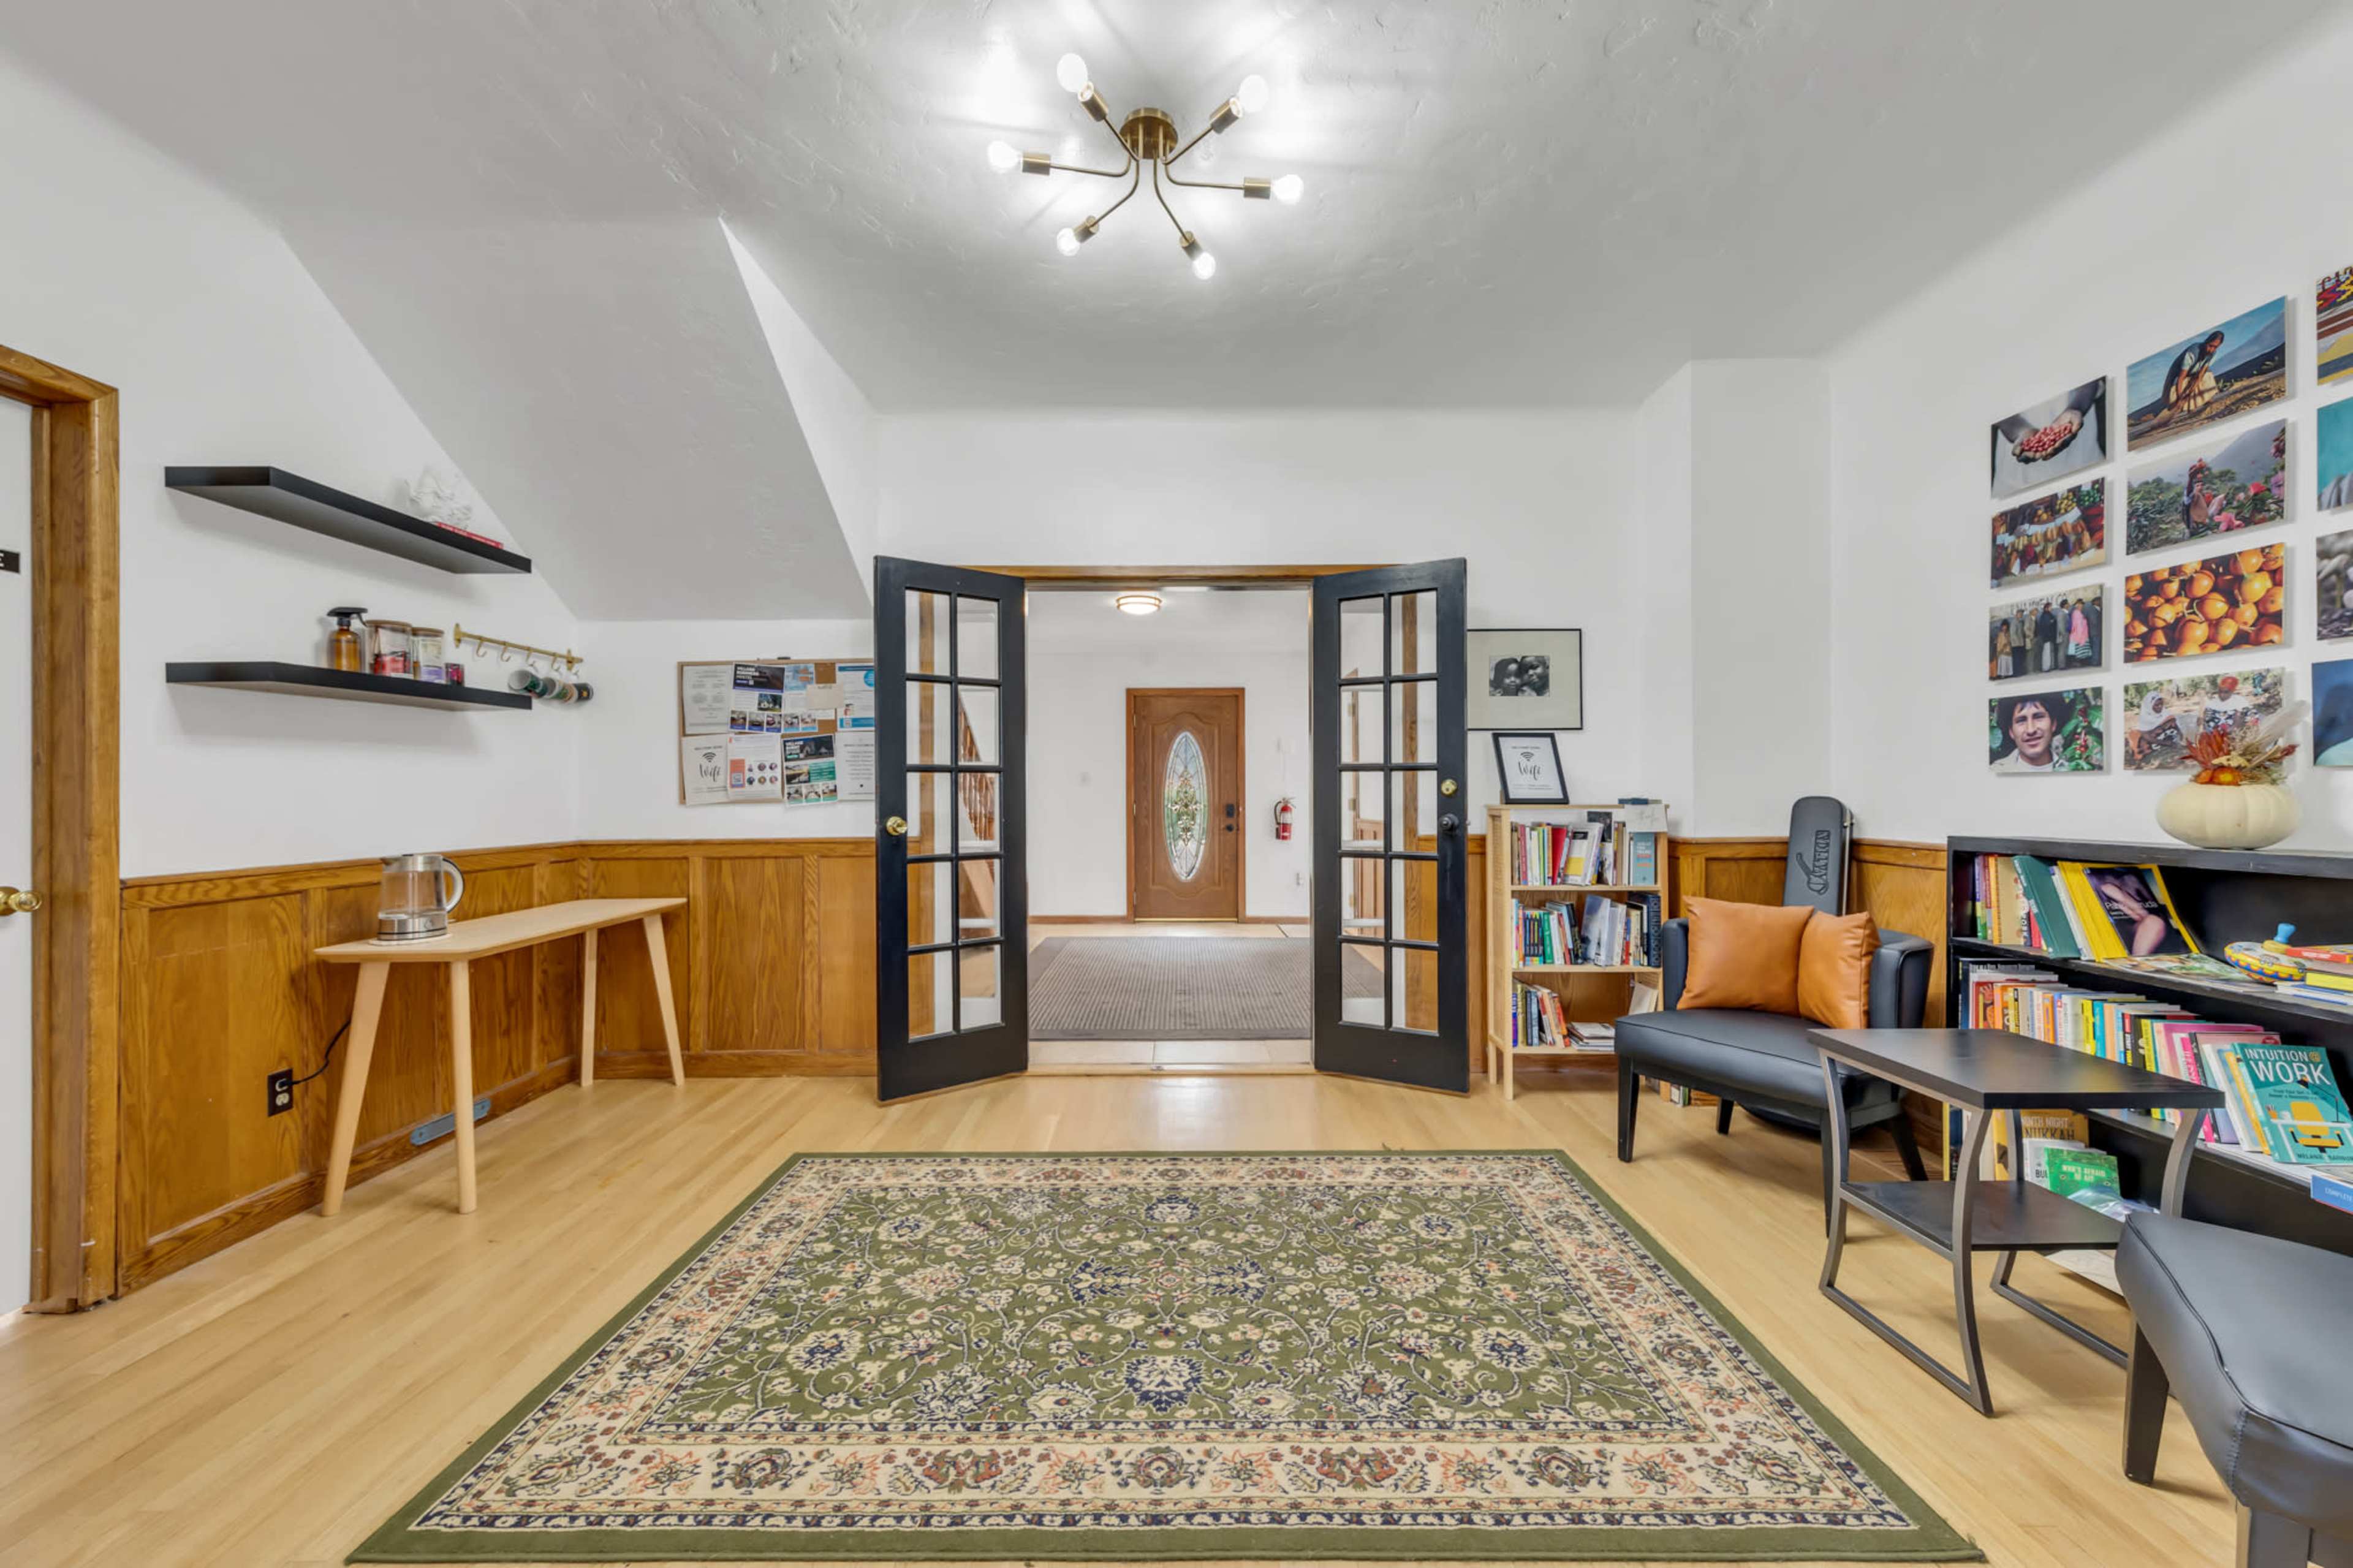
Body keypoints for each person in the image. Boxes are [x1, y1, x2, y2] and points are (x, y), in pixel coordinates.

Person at [1992, 691, 2076, 772]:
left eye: (2039, 717)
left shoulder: (2073, 769)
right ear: (2011, 732)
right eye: (2021, 720)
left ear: (2053, 724)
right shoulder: (1996, 771)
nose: (2031, 730)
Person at [2159, 331, 2226, 426]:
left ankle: (2198, 402)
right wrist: (2180, 398)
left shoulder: (2213, 354)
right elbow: (2181, 378)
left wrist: (2191, 391)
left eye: (2215, 347)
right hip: (2177, 379)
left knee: (2207, 376)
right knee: (2177, 401)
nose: (2211, 350)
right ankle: (2182, 408)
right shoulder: (2192, 352)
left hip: (2193, 375)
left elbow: (2200, 375)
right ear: (2207, 341)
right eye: (2210, 346)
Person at [2066, 596, 2092, 665]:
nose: (2082, 607)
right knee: (2078, 649)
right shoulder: (2077, 613)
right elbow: (2078, 625)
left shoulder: (2079, 613)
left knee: (2080, 649)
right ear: (2078, 606)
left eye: (2082, 606)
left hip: (2081, 634)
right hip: (2079, 634)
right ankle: (2077, 662)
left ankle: (2079, 662)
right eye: (2081, 606)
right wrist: (2080, 636)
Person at [2035, 600, 2059, 672]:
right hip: (2047, 637)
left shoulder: (2049, 615)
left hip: (2050, 637)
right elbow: (2046, 626)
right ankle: (2046, 667)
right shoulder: (2045, 616)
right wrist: (2052, 622)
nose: (2051, 608)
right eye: (2050, 607)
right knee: (2047, 652)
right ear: (2046, 608)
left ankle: (2051, 665)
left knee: (2051, 652)